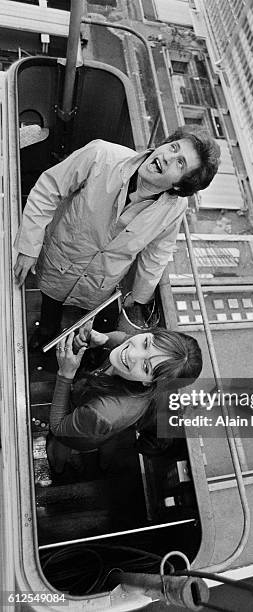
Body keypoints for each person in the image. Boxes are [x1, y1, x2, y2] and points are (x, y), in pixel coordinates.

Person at [14, 126, 220, 346]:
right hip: (61, 260)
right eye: (173, 147)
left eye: (180, 163)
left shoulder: (176, 207)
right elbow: (49, 189)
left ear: (179, 186)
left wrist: (138, 298)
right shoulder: (101, 154)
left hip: (100, 282)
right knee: (50, 306)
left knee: (83, 324)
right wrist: (28, 246)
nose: (168, 157)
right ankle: (46, 331)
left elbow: (157, 253)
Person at [48, 324, 202, 459]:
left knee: (61, 445)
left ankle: (59, 468)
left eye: (146, 367)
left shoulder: (104, 412)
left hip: (82, 431)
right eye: (146, 343)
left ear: (148, 382)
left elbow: (58, 427)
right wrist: (104, 339)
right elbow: (125, 338)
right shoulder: (138, 346)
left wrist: (65, 375)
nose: (132, 354)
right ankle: (104, 462)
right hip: (94, 419)